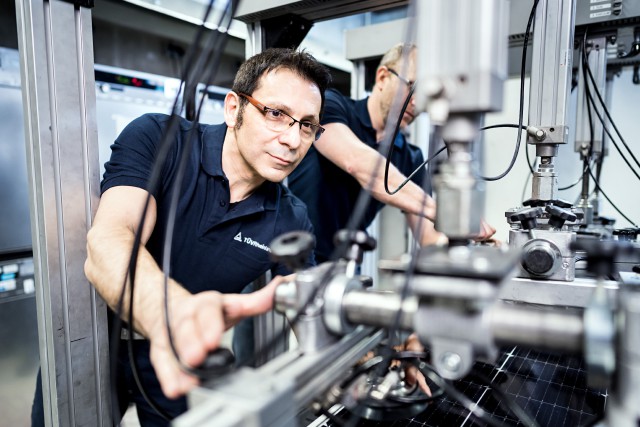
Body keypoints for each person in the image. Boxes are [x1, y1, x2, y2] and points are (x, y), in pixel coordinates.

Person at [82, 48, 332, 425]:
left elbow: (307, 302)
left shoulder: (291, 217)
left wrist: (373, 349)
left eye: (307, 125)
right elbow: (111, 238)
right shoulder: (160, 139)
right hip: (92, 338)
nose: (293, 140)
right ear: (234, 109)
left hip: (186, 354)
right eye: (277, 114)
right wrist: (174, 316)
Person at [288, 43, 495, 262]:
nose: (416, 103)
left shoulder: (410, 157)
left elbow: (428, 236)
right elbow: (359, 163)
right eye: (412, 87)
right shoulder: (331, 106)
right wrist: (444, 211)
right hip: (293, 257)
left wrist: (470, 245)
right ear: (382, 77)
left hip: (345, 263)